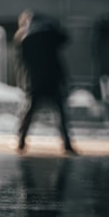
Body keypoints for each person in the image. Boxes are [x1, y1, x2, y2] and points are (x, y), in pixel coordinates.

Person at [14, 10, 77, 155]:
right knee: (61, 115)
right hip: (53, 80)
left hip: (35, 82)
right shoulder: (50, 36)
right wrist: (53, 25)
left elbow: (23, 63)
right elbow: (65, 38)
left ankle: (21, 142)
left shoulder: (26, 39)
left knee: (29, 113)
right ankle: (67, 145)